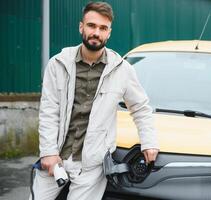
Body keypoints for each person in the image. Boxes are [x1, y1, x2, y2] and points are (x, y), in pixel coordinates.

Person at [30, 2, 159, 200]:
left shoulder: (122, 70)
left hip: (91, 165)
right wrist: (48, 152)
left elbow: (141, 109)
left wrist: (149, 143)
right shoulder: (58, 64)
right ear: (81, 27)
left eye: (103, 28)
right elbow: (49, 111)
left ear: (109, 33)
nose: (96, 32)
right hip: (55, 159)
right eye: (92, 26)